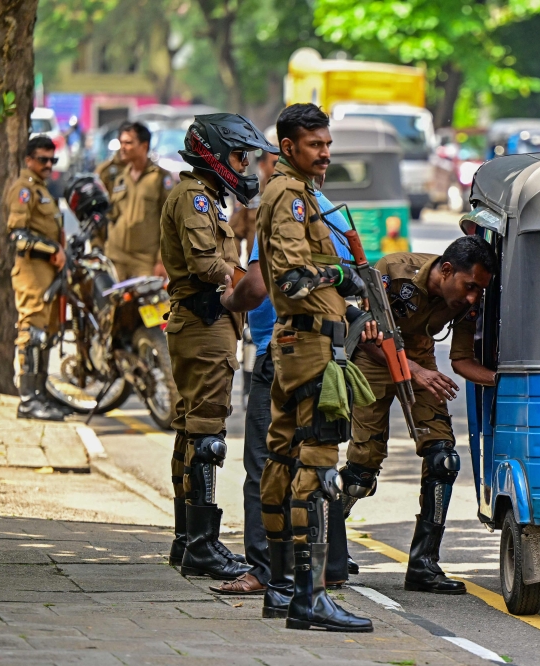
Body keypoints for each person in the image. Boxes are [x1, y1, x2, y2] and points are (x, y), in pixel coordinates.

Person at [255, 102, 372, 632]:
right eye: (316, 145)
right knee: (320, 467)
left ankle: (281, 588)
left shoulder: (295, 193)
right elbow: (292, 278)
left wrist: (345, 306)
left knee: (282, 457)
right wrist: (342, 281)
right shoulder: (290, 198)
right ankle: (310, 595)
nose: (326, 153)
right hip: (311, 352)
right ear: (288, 147)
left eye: (327, 143)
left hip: (300, 343)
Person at [340, 235, 496, 594]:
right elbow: (368, 337)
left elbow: (461, 361)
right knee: (361, 471)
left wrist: (504, 381)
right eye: (469, 286)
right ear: (445, 270)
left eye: (479, 290)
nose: (473, 297)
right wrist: (416, 372)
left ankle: (424, 564)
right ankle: (330, 540)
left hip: (420, 359)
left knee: (444, 460)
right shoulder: (393, 272)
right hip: (375, 358)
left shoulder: (468, 300)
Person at [159, 113, 276, 580]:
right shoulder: (195, 198)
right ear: (212, 153)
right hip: (206, 321)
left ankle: (189, 541)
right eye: (237, 155)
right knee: (206, 437)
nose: (243, 164)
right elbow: (206, 262)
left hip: (209, 322)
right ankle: (202, 546)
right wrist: (241, 282)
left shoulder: (207, 197)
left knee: (193, 431)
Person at [5, 135, 70, 422]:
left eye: (51, 160)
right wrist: (53, 249)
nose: (47, 165)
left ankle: (40, 394)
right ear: (29, 159)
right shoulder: (24, 189)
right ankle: (28, 400)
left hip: (49, 274)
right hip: (32, 271)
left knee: (46, 335)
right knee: (31, 334)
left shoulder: (43, 189)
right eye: (42, 159)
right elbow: (17, 236)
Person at [101, 122, 173, 281]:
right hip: (116, 257)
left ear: (144, 146)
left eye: (128, 143)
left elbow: (170, 223)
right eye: (121, 143)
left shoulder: (160, 179)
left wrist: (162, 260)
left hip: (145, 260)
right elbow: (111, 216)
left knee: (147, 304)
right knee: (116, 305)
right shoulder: (120, 179)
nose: (123, 147)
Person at [228, 135, 278, 260]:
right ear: (262, 165)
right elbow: (234, 234)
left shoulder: (294, 193)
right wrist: (234, 267)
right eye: (275, 163)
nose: (280, 168)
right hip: (257, 267)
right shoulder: (249, 194)